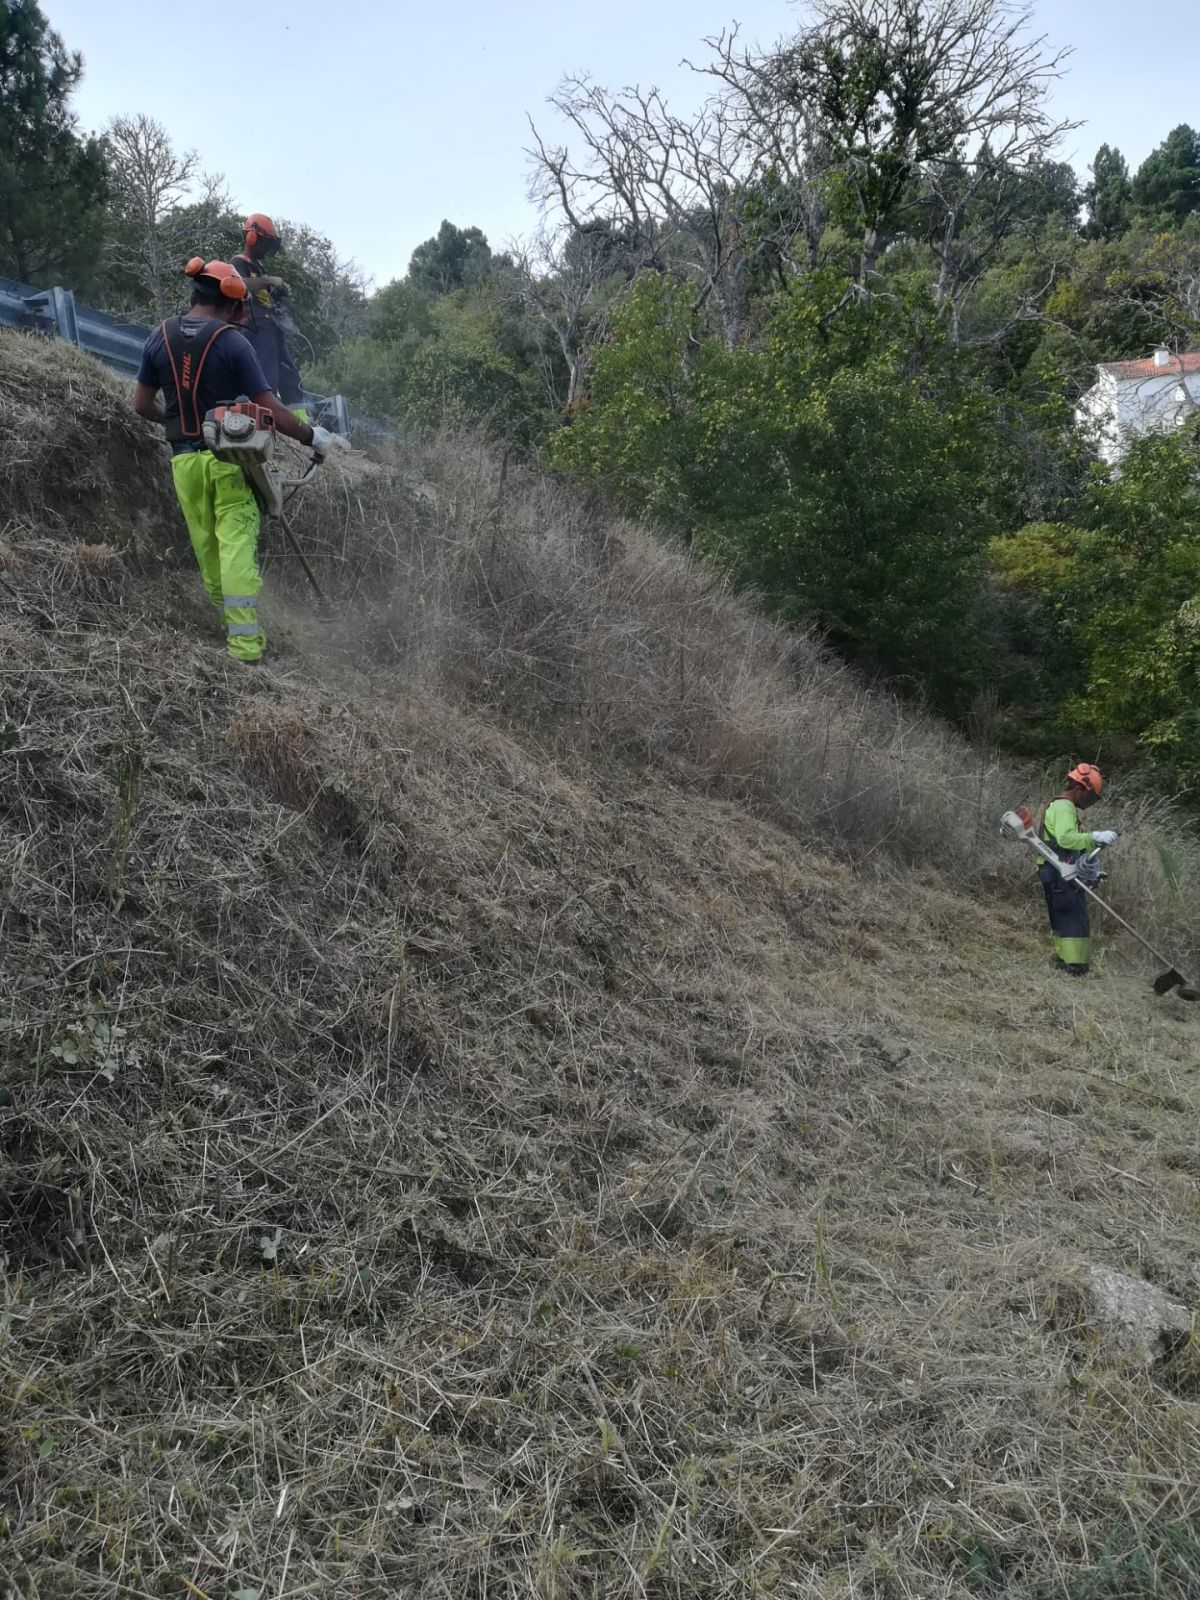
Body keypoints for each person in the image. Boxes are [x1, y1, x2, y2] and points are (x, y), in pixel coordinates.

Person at [132, 257, 343, 663]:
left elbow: (141, 403)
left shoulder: (157, 338)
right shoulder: (232, 343)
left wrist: (177, 422)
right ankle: (246, 650)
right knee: (235, 550)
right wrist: (313, 436)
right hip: (229, 462)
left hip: (184, 466)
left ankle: (232, 626)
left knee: (208, 551)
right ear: (231, 303)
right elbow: (273, 411)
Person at [1037, 763, 1119, 976]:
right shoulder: (1064, 807)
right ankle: (1075, 965)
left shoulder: (1059, 805)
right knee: (1073, 915)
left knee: (1062, 915)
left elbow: (1070, 842)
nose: (1089, 802)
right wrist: (1096, 836)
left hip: (1055, 868)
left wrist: (1090, 868)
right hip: (1059, 869)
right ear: (1080, 789)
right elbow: (1065, 839)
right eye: (1090, 797)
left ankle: (1065, 960)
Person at [232, 214, 307, 415]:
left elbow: (265, 289)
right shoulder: (238, 263)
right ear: (252, 238)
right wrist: (270, 281)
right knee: (267, 380)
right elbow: (240, 285)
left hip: (272, 328)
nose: (266, 249)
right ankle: (262, 422)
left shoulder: (259, 267)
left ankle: (301, 423)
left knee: (291, 378)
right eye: (265, 243)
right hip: (255, 329)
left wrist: (278, 289)